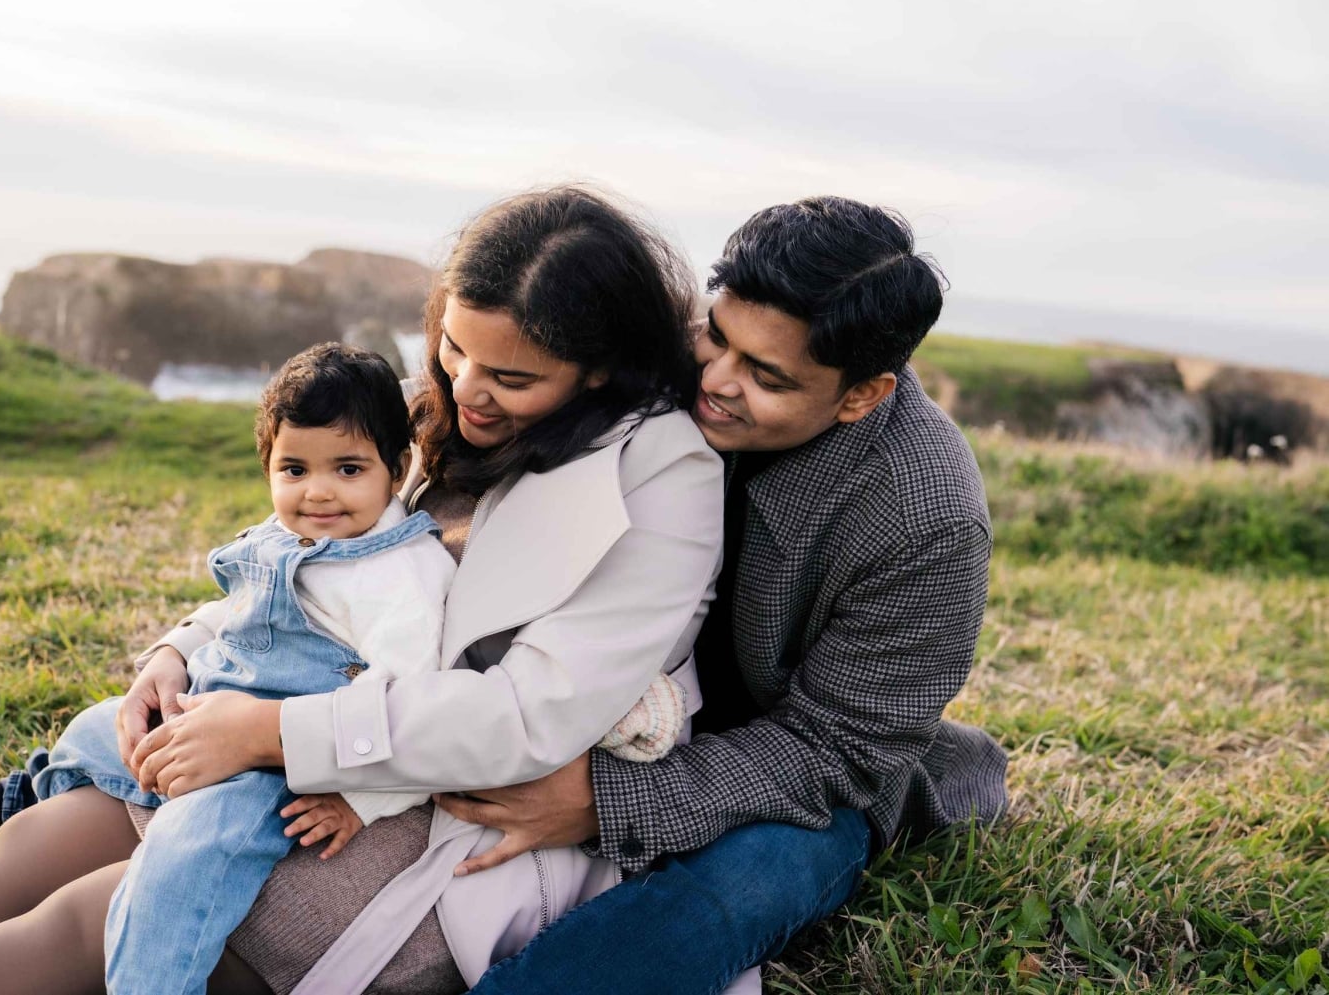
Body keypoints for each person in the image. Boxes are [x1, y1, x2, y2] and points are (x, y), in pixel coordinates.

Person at [0, 185, 722, 994]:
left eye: (511, 377)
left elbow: (528, 716)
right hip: (289, 725)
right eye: (452, 347)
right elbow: (305, 561)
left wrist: (267, 735)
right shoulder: (432, 408)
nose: (465, 388)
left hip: (437, 811)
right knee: (47, 834)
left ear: (600, 367)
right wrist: (175, 652)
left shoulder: (661, 475)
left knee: (104, 915)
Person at [432, 196, 1009, 994]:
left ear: (862, 395)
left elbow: (837, 749)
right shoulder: (655, 353)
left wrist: (607, 800)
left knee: (737, 885)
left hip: (790, 762)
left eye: (766, 376)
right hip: (599, 690)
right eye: (718, 334)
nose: (714, 379)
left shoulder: (928, 520)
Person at [32, 341, 457, 994]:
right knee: (90, 735)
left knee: (183, 862)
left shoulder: (403, 572)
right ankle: (14, 836)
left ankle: (150, 979)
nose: (317, 491)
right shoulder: (292, 532)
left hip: (274, 758)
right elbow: (244, 609)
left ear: (395, 468)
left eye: (347, 468)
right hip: (206, 704)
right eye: (293, 469)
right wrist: (173, 655)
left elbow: (407, 705)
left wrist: (359, 796)